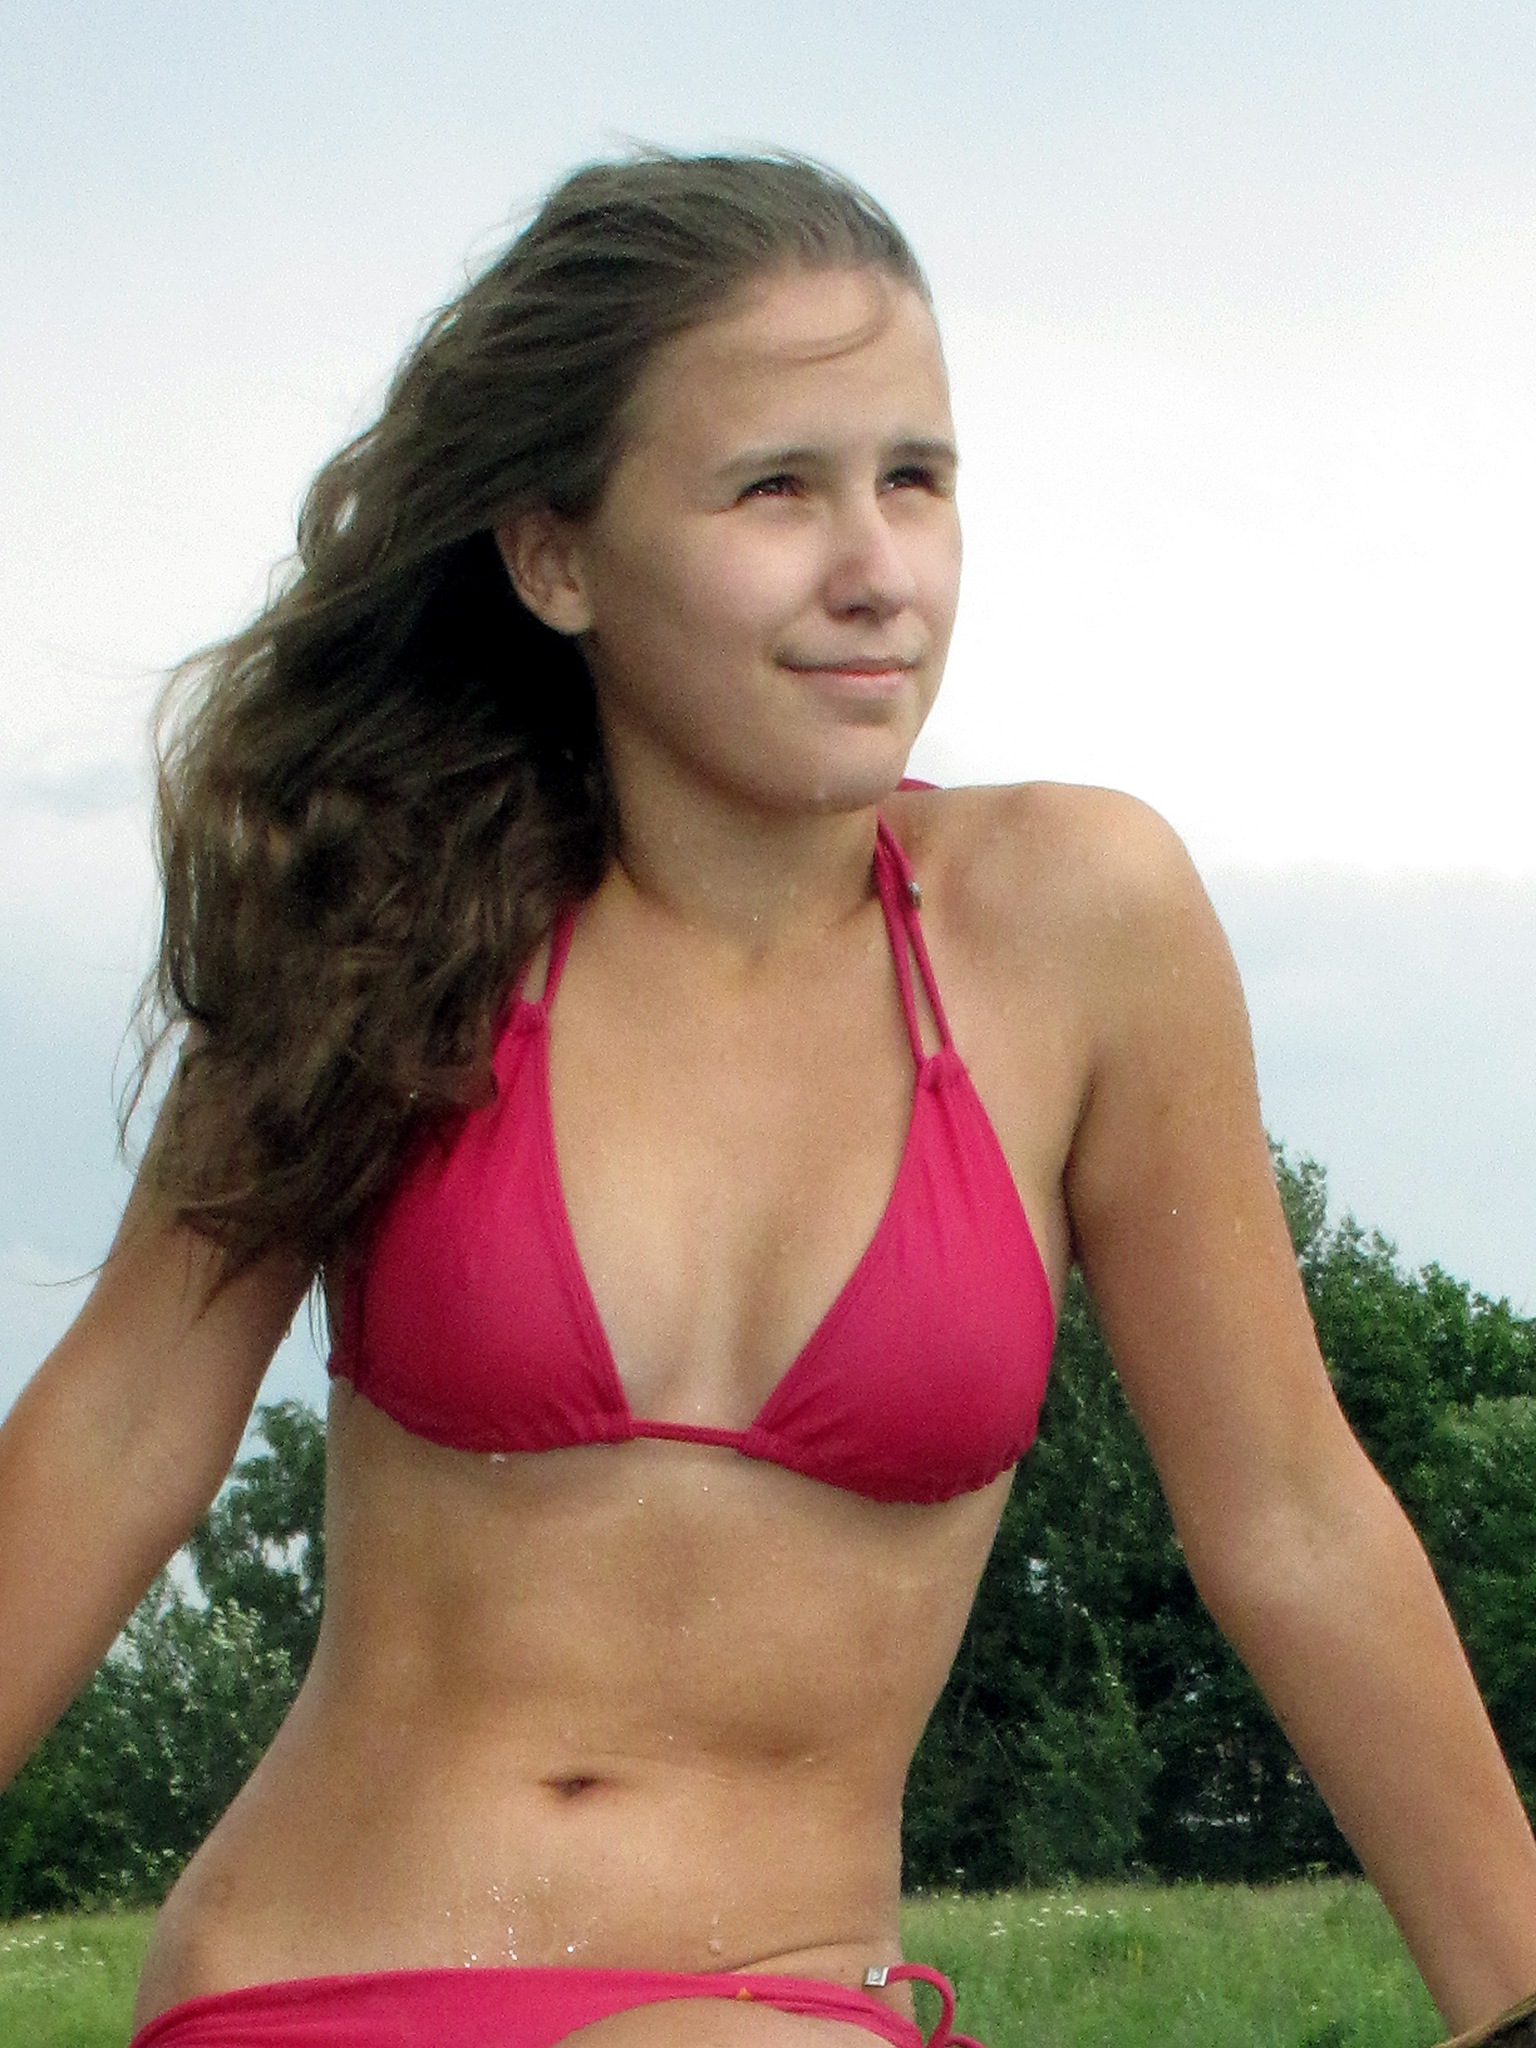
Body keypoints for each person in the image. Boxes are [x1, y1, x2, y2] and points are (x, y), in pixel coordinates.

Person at [1, 151, 1533, 2048]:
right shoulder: (385, 917)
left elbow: (1290, 1516)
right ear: (556, 558)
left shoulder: (1079, 928)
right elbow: (123, 1432)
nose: (875, 570)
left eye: (917, 479)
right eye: (775, 490)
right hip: (311, 1977)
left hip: (774, 2006)